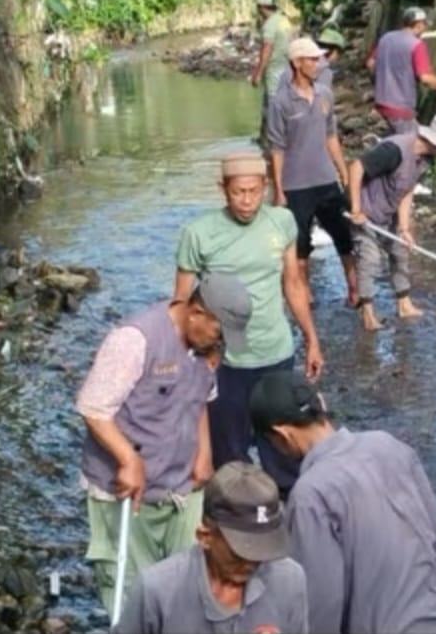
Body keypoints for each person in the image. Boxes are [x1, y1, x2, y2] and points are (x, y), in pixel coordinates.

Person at [77, 273, 252, 614]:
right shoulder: (134, 340)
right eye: (219, 334)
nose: (219, 345)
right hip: (125, 491)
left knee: (192, 583)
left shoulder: (206, 348)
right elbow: (93, 407)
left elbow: (201, 398)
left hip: (182, 486)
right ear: (196, 312)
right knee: (131, 591)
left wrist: (205, 452)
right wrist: (127, 459)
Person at [250, 371, 436, 634]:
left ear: (281, 434)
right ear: (321, 404)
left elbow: (323, 600)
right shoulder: (387, 445)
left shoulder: (310, 494)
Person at [174, 151, 323, 498]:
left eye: (254, 191)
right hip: (226, 362)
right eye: (238, 192)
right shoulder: (198, 234)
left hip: (276, 353)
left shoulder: (281, 222)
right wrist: (191, 356)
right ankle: (239, 527)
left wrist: (311, 338)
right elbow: (181, 304)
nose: (247, 200)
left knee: (285, 450)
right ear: (222, 189)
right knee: (230, 456)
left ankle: (293, 521)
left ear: (265, 187)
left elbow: (293, 284)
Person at [112, 462, 308, 634]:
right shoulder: (157, 592)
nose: (252, 560)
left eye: (262, 548)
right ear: (205, 537)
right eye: (242, 549)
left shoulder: (289, 581)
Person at [347, 114, 436, 331]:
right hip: (366, 211)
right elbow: (356, 167)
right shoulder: (394, 150)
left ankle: (404, 303)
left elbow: (407, 190)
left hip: (389, 211)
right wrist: (356, 208)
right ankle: (367, 314)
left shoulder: (425, 159)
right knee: (370, 259)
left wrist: (404, 227)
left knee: (400, 252)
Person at [266, 37, 357, 307]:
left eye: (319, 59)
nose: (318, 63)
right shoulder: (280, 102)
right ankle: (304, 293)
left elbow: (331, 137)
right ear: (296, 63)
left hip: (326, 179)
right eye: (313, 59)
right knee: (301, 244)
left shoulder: (325, 95)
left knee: (344, 236)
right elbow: (277, 148)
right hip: (296, 186)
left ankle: (354, 291)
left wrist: (343, 173)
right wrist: (279, 189)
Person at [366, 6, 436, 134]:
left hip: (381, 104)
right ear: (418, 25)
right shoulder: (416, 45)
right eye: (424, 24)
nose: (425, 28)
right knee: (411, 146)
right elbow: (426, 79)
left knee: (393, 139)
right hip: (401, 109)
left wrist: (381, 83)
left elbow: (370, 63)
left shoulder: (386, 38)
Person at [249, 0, 293, 154]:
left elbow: (266, 50)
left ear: (261, 7)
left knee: (272, 105)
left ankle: (271, 143)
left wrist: (258, 73)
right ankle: (272, 138)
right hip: (287, 68)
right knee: (283, 104)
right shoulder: (283, 20)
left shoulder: (269, 25)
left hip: (274, 70)